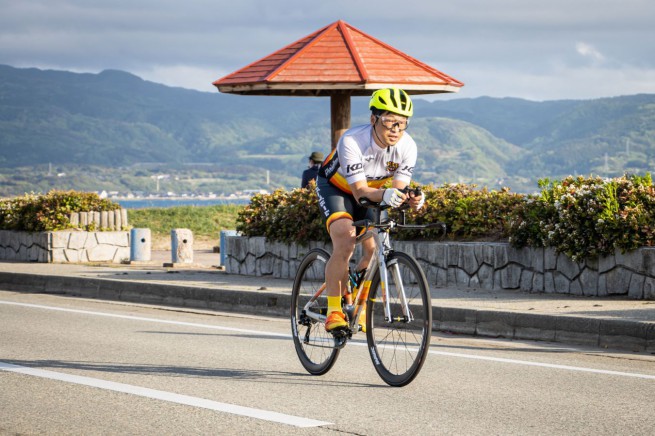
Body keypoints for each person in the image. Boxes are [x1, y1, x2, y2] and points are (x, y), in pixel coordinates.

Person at [315, 88, 425, 332]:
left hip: (374, 191)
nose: (395, 129)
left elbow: (398, 188)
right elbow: (359, 193)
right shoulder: (352, 141)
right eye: (389, 121)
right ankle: (334, 311)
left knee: (375, 247)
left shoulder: (408, 146)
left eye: (402, 122)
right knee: (345, 240)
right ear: (373, 119)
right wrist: (387, 195)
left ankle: (360, 307)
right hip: (338, 188)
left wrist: (412, 199)